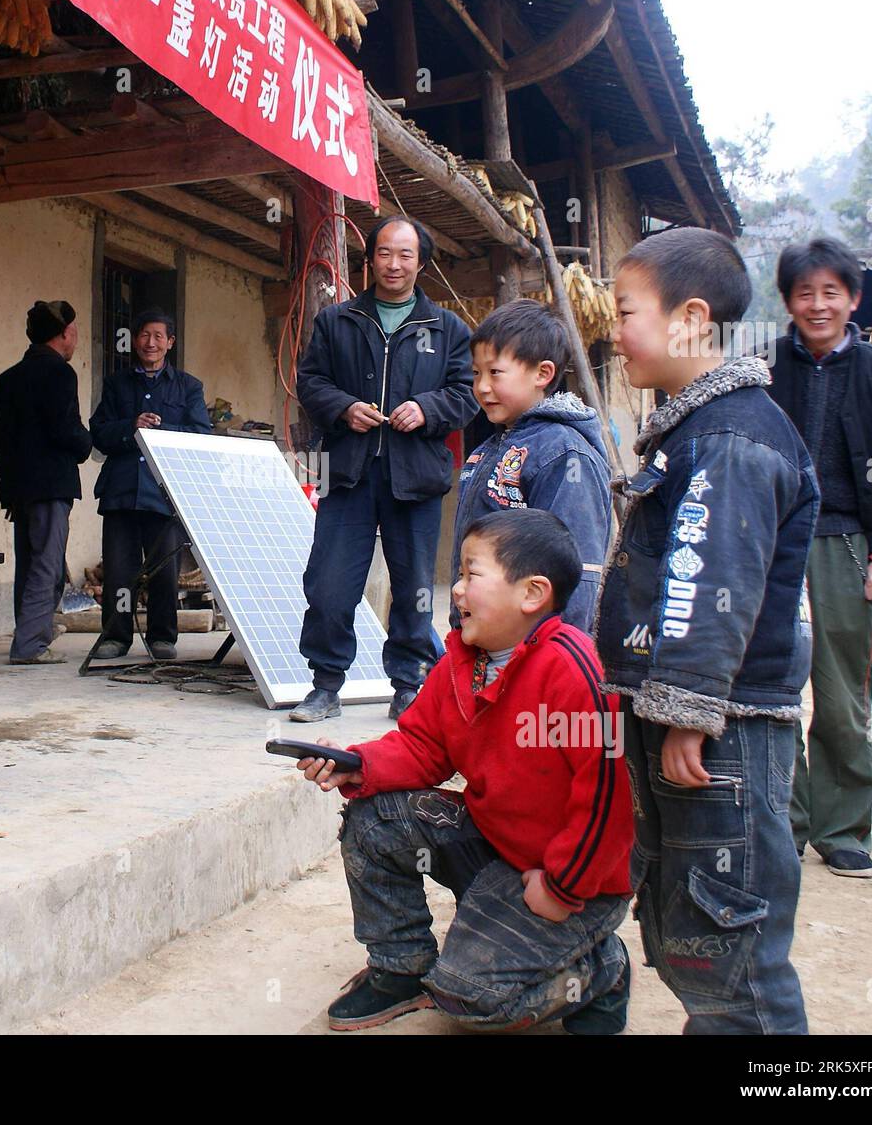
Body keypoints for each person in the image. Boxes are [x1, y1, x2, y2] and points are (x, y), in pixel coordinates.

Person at [595, 227, 818, 1034]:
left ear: (690, 318)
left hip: (719, 736)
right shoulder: (700, 429)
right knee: (694, 929)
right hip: (696, 729)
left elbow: (710, 577)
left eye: (626, 312)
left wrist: (687, 709)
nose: (614, 331)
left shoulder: (728, 438)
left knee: (733, 952)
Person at [297, 509, 633, 1032]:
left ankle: (600, 968)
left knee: (470, 999)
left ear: (532, 593)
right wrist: (357, 764)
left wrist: (564, 888)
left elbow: (610, 798)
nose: (456, 589)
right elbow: (422, 746)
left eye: (472, 574)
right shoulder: (462, 660)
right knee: (375, 816)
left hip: (571, 878)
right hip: (497, 849)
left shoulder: (574, 670)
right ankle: (400, 969)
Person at [766, 238, 872, 879]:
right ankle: (787, 820)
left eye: (831, 291)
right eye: (805, 292)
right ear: (788, 301)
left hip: (846, 547)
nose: (818, 304)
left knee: (839, 696)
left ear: (853, 299)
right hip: (775, 543)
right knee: (774, 689)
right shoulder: (764, 369)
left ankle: (841, 825)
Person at [292, 215, 478, 724]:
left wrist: (427, 410)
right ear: (369, 258)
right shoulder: (337, 321)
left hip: (414, 476)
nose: (394, 264)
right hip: (347, 473)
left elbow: (467, 397)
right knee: (329, 585)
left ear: (421, 262)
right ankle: (325, 685)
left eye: (405, 255)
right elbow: (310, 382)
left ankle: (410, 683)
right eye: (384, 254)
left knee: (415, 585)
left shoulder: (448, 330)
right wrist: (343, 407)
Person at [453, 299, 611, 630]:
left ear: (543, 373)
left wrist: (556, 658)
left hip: (532, 649)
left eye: (495, 372)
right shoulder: (487, 450)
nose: (481, 387)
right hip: (485, 637)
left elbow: (578, 570)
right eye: (476, 373)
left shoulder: (564, 454)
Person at [89, 307, 211, 660]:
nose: (151, 343)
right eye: (144, 335)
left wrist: (162, 433)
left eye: (159, 336)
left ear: (170, 343)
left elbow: (200, 436)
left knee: (163, 571)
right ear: (134, 340)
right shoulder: (117, 385)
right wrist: (132, 426)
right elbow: (98, 433)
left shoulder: (189, 387)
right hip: (121, 493)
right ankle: (115, 636)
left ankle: (162, 637)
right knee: (118, 570)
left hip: (163, 493)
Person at [0, 300, 92, 666]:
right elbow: (65, 429)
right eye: (75, 332)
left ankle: (34, 632)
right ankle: (30, 644)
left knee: (32, 562)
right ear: (65, 334)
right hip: (51, 486)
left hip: (20, 487)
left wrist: (9, 486)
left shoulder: (6, 380)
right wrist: (87, 443)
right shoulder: (60, 375)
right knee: (46, 565)